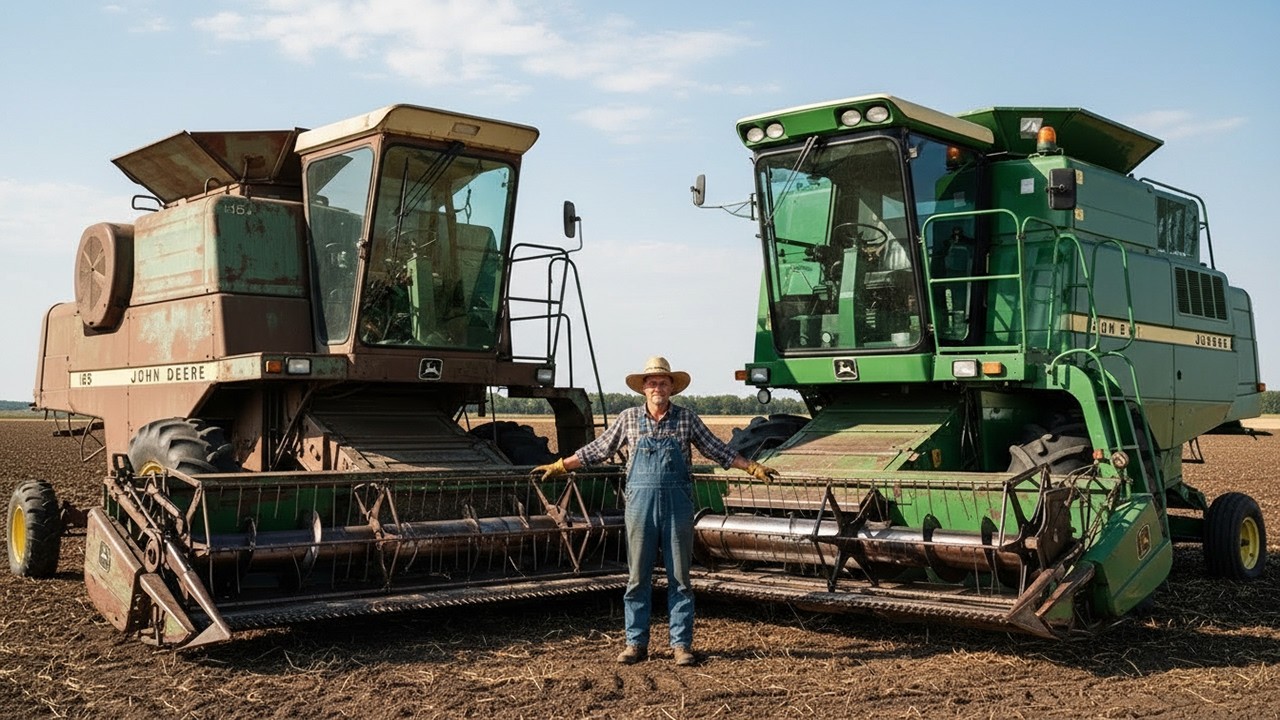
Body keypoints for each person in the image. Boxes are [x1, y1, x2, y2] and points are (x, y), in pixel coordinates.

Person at [535, 356, 778, 667]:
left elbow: (718, 449)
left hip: (678, 508)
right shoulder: (628, 419)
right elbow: (598, 450)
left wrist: (751, 467)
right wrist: (561, 465)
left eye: (663, 382)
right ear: (644, 388)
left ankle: (681, 645)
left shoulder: (687, 419)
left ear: (672, 387)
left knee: (680, 579)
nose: (657, 387)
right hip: (639, 508)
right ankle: (635, 643)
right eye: (652, 383)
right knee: (637, 577)